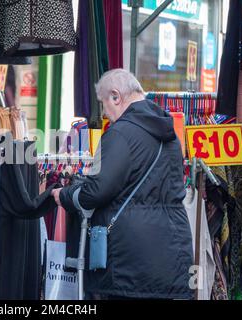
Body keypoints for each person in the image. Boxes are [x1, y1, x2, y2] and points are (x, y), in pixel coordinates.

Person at [51, 69, 194, 300]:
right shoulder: (170, 136)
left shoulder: (120, 134)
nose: (105, 113)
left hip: (130, 266)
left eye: (104, 103)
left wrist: (65, 195)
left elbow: (96, 191)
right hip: (174, 259)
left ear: (116, 96)